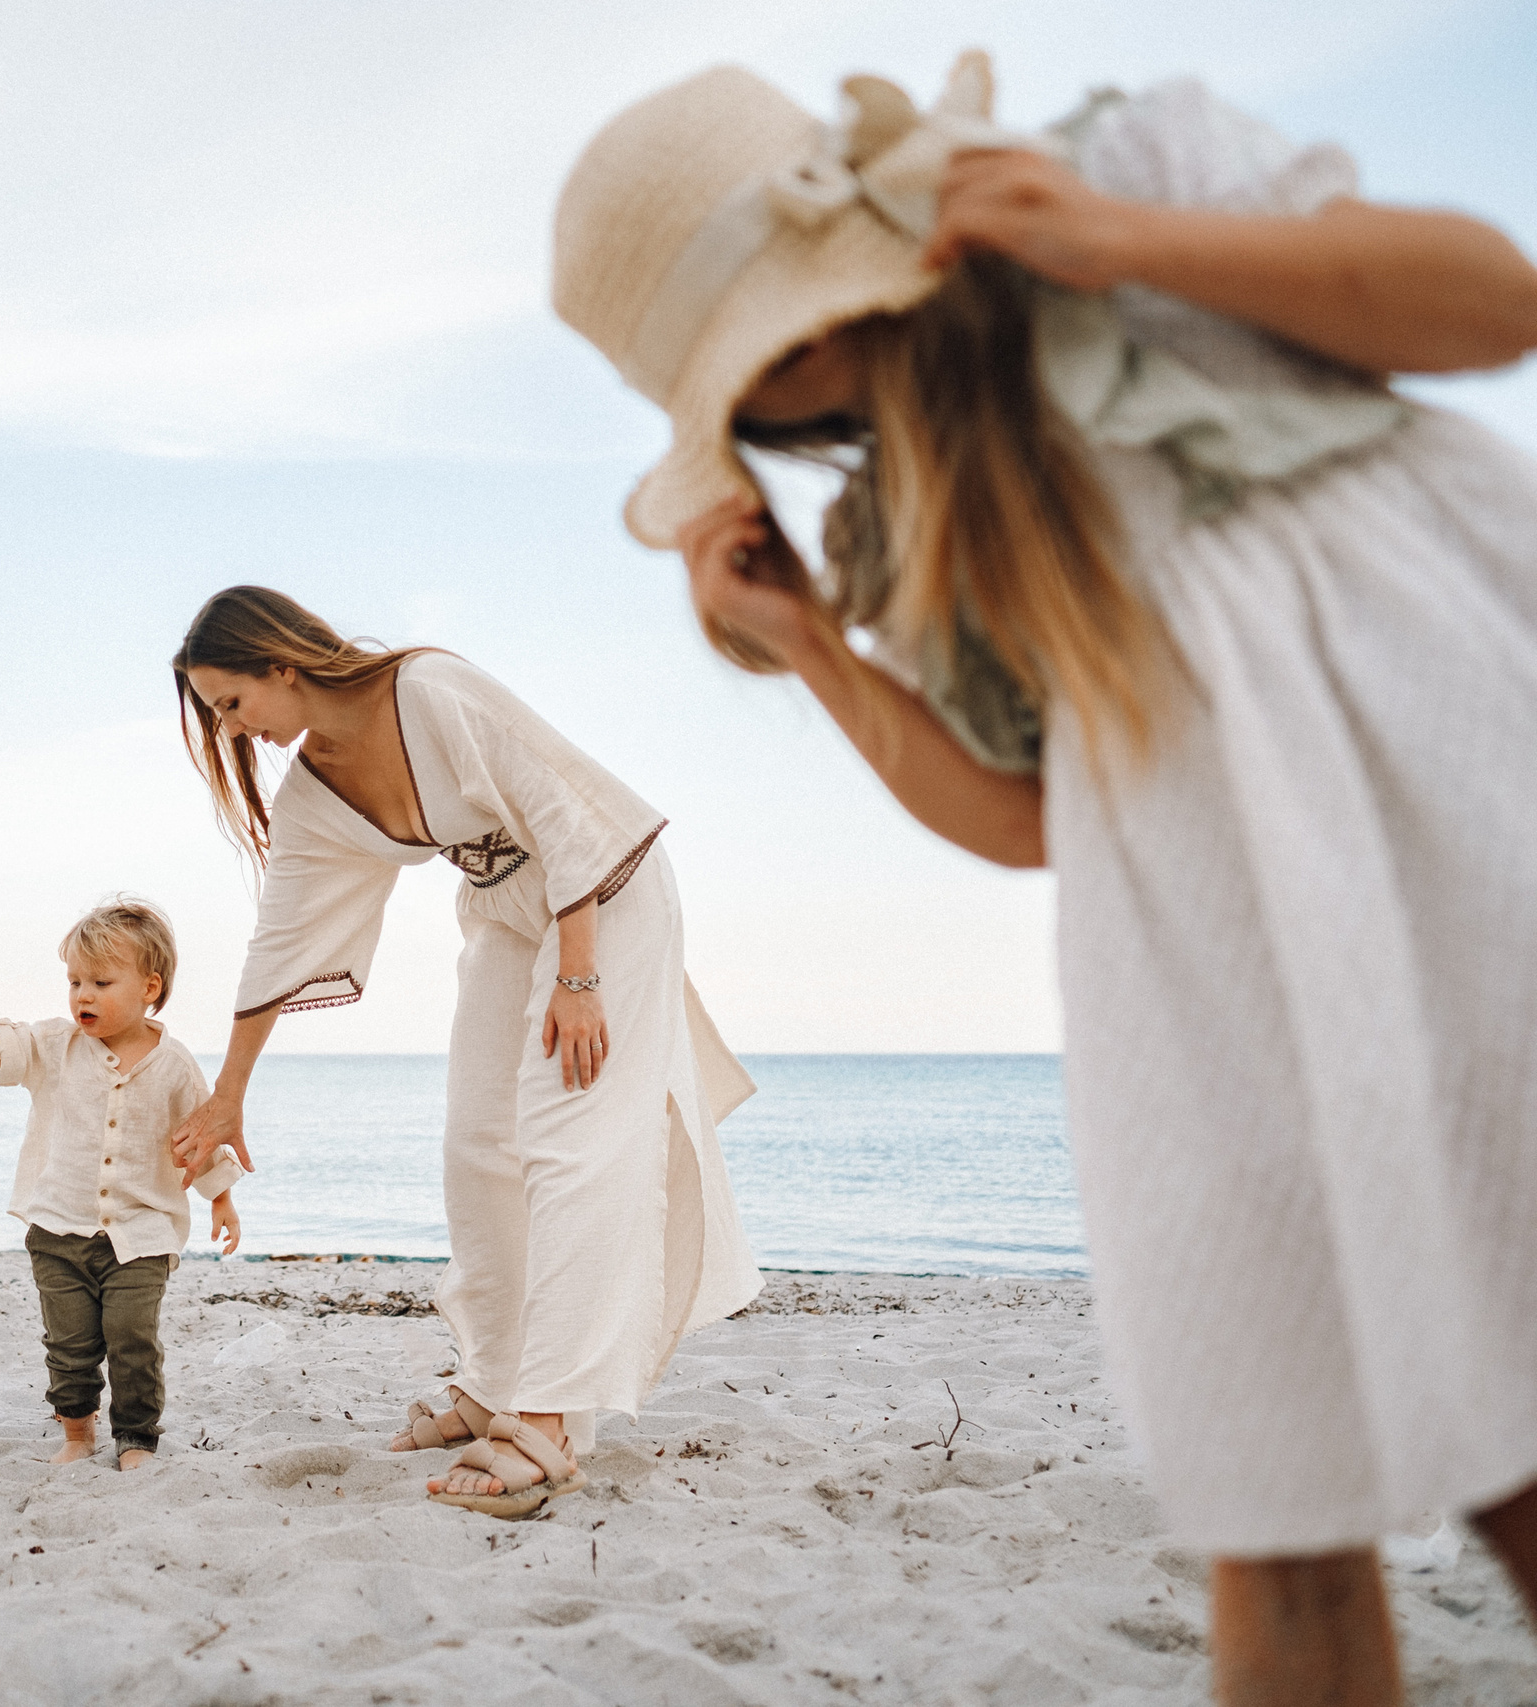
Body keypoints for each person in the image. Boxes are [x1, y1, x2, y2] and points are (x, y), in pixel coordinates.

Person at [552, 51, 1537, 1701]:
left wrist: (1118, 236)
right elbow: (1026, 817)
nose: (819, 374)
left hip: (1457, 795)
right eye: (777, 371)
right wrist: (810, 644)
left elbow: (1492, 302)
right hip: (1208, 942)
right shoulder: (904, 515)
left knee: (1518, 1419)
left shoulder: (1122, 174)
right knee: (1271, 1480)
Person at [166, 587, 759, 1519]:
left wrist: (580, 979)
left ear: (280, 664)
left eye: (233, 704)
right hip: (506, 910)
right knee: (476, 1145)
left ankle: (550, 1419)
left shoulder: (430, 688)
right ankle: (492, 1381)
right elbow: (277, 940)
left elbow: (562, 815)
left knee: (574, 1141)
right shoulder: (315, 789)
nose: (235, 731)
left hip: (606, 902)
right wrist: (230, 1094)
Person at [0, 898, 244, 1470]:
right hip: (57, 1228)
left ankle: (136, 1438)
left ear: (150, 987)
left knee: (132, 1341)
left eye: (101, 981)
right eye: (75, 980)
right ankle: (77, 1434)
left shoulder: (174, 1065)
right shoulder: (54, 1045)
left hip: (142, 1234)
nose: (83, 995)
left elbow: (201, 1136)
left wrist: (221, 1197)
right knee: (69, 1346)